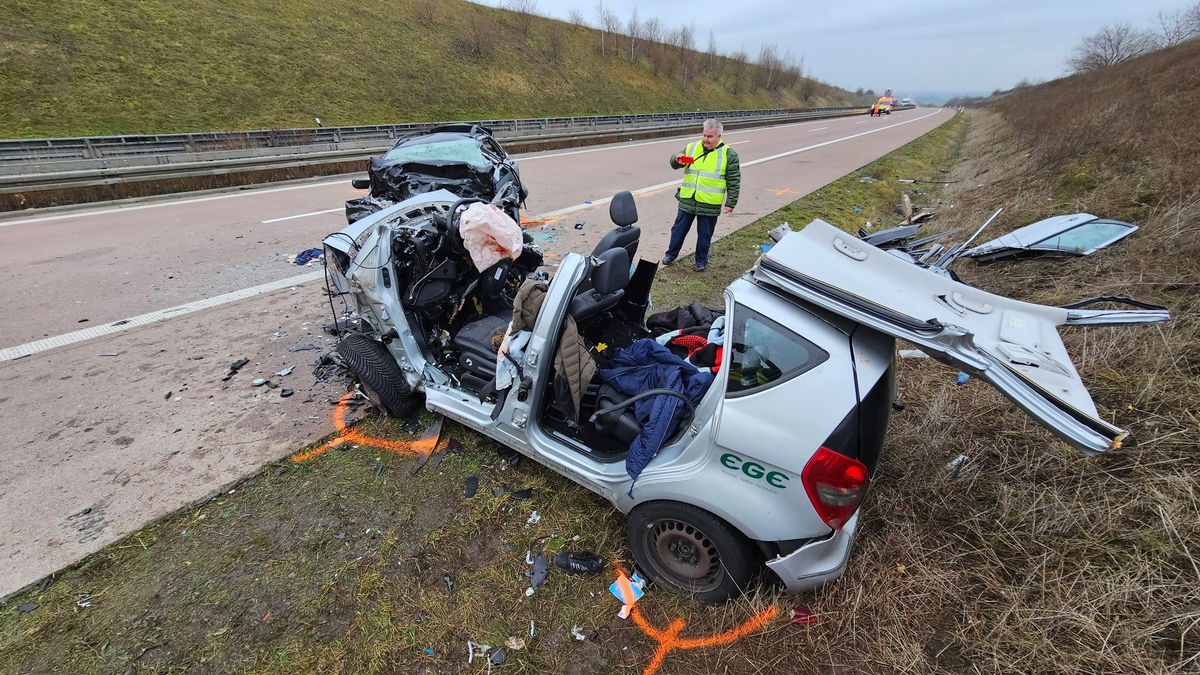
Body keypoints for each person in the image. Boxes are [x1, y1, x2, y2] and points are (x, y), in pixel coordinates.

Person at [661, 119, 740, 272]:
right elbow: (674, 162)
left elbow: (734, 181)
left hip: (709, 203)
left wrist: (731, 203)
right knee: (678, 230)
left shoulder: (728, 154)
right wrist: (676, 160)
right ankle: (670, 254)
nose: (705, 139)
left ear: (719, 136)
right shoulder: (692, 147)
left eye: (710, 136)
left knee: (705, 235)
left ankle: (701, 261)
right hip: (688, 199)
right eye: (704, 135)